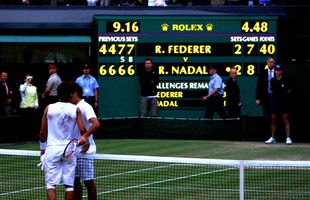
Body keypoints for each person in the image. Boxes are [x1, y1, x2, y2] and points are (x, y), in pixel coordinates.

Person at [39, 82, 90, 200]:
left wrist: (42, 148)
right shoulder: (75, 109)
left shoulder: (49, 108)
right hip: (69, 151)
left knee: (51, 185)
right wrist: (86, 142)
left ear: (58, 93)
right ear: (71, 94)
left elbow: (42, 132)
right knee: (69, 186)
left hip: (52, 149)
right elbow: (82, 129)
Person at [68, 82, 100, 200]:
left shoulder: (86, 106)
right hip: (72, 152)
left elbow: (96, 123)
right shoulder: (70, 107)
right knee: (75, 183)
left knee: (88, 183)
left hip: (85, 153)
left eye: (69, 95)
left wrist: (85, 136)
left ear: (75, 93)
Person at [265, 65, 293, 144]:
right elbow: (272, 91)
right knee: (273, 120)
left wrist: (284, 93)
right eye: (276, 70)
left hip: (283, 102)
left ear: (281, 71)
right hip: (274, 102)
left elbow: (289, 91)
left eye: (279, 70)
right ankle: (273, 138)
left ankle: (288, 138)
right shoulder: (273, 80)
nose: (277, 71)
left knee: (285, 120)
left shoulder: (285, 80)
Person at [19, 74, 39, 138]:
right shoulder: (22, 86)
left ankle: (32, 137)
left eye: (30, 78)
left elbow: (36, 97)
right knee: (25, 123)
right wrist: (26, 82)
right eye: (27, 78)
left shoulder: (34, 87)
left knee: (33, 124)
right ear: (24, 79)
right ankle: (25, 137)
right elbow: (22, 90)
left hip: (32, 108)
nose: (29, 79)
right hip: (24, 108)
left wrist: (36, 105)